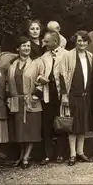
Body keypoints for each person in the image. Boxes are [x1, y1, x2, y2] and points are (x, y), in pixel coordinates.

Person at [5, 37, 42, 169]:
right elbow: (8, 83)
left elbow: (42, 80)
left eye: (28, 46)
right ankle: (21, 155)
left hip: (31, 100)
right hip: (17, 101)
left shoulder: (36, 63)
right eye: (23, 46)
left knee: (31, 130)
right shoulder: (12, 65)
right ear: (17, 49)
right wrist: (9, 97)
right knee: (19, 130)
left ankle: (26, 157)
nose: (26, 48)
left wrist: (36, 94)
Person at [33, 31, 68, 165]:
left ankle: (60, 154)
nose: (44, 43)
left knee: (61, 124)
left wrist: (66, 95)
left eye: (47, 41)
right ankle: (47, 155)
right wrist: (41, 78)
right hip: (48, 94)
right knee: (46, 125)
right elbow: (38, 74)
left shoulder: (67, 55)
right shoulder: (44, 56)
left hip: (62, 94)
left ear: (55, 41)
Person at [60, 31, 93, 166]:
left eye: (85, 41)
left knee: (83, 125)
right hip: (73, 95)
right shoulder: (68, 56)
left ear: (88, 42)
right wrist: (64, 95)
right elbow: (62, 75)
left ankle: (81, 152)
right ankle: (72, 154)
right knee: (73, 125)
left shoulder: (90, 56)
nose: (82, 43)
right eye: (80, 41)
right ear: (75, 41)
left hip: (86, 96)